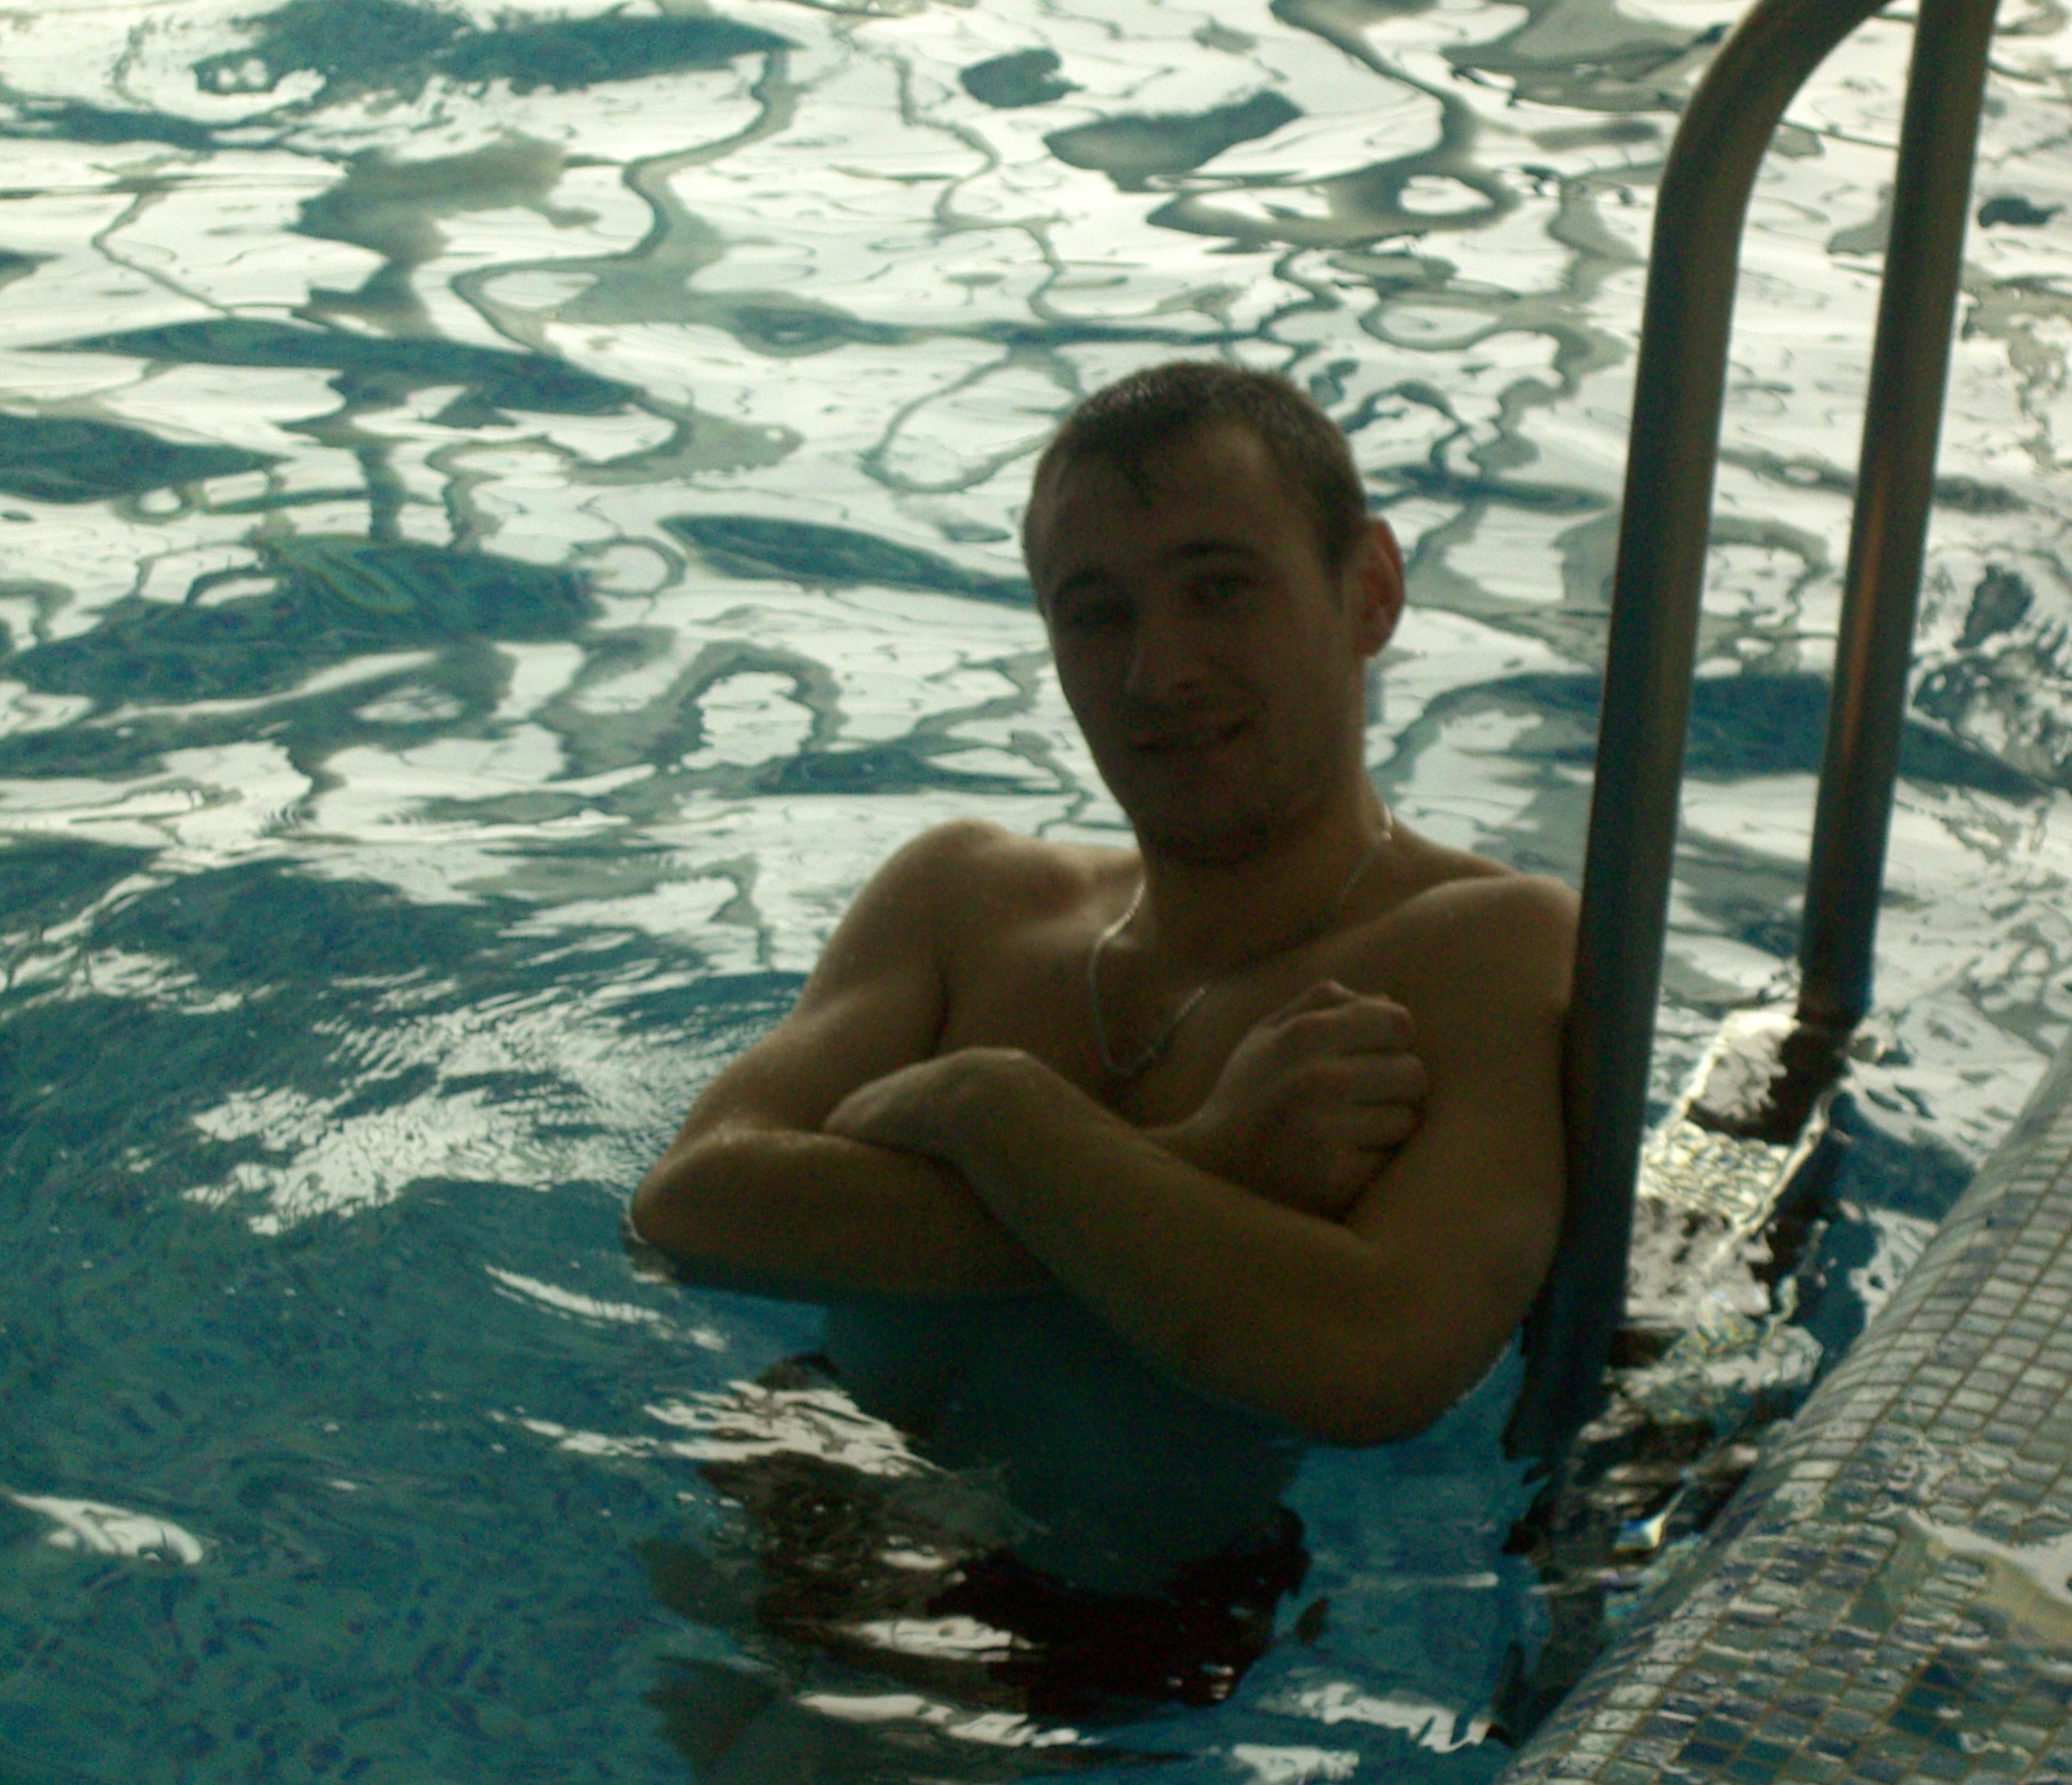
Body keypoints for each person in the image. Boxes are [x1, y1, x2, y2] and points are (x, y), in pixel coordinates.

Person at [629, 363, 1577, 1702]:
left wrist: (991, 1113)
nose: (1159, 670)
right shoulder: (966, 897)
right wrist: (1200, 1158)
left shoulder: (1486, 948)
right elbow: (690, 1210)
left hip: (1087, 1645)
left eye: (1219, 589)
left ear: (1368, 589)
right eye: (1097, 613)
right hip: (774, 1531)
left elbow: (1377, 1361)